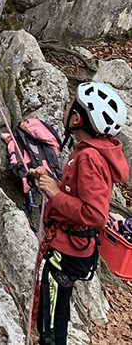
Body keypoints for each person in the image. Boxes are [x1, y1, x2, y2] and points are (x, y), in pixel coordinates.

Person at [29, 82, 128, 345]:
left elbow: (95, 213)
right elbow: (81, 194)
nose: (65, 108)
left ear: (76, 118)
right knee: (55, 316)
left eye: (70, 105)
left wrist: (55, 195)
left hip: (67, 251)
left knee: (49, 326)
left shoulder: (89, 158)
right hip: (74, 247)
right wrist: (52, 182)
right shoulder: (91, 152)